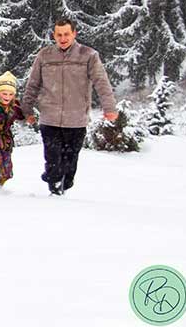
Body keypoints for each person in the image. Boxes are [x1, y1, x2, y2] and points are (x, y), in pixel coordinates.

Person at [21, 18, 118, 195]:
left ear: (74, 34)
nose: (63, 38)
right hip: (50, 117)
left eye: (66, 34)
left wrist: (109, 108)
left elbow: (101, 82)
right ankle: (54, 186)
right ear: (54, 36)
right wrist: (26, 109)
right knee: (52, 160)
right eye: (59, 34)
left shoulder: (88, 55)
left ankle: (63, 185)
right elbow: (33, 84)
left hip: (76, 119)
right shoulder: (45, 55)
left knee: (69, 163)